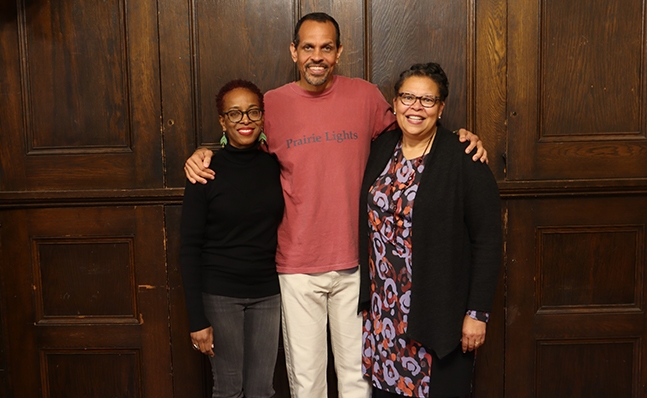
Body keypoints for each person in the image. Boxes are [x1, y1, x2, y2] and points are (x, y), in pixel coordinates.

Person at [184, 13, 488, 398]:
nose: (317, 56)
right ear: (293, 51)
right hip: (296, 268)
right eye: (308, 47)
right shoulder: (273, 104)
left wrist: (462, 137)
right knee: (307, 384)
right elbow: (242, 145)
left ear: (338, 51)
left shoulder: (365, 96)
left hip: (359, 269)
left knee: (357, 380)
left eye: (326, 47)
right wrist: (204, 152)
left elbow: (416, 129)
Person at [358, 63, 502, 398]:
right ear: (395, 103)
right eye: (408, 97)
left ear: (441, 107)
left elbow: (488, 241)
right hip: (385, 316)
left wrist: (477, 314)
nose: (416, 107)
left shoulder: (464, 157)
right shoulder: (382, 148)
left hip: (440, 315)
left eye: (428, 100)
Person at [179, 79, 284, 398]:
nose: (245, 120)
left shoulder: (277, 165)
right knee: (228, 389)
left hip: (269, 293)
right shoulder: (205, 171)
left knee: (262, 390)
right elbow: (188, 248)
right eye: (235, 114)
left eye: (253, 111)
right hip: (220, 294)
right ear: (222, 121)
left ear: (263, 116)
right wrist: (197, 320)